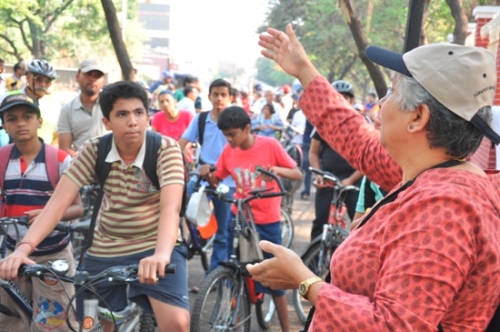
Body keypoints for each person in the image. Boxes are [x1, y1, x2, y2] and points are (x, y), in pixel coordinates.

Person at [247, 24, 500, 331]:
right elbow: (357, 139)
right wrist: (304, 71)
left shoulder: (445, 209)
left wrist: (304, 281)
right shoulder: (432, 173)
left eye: (391, 91)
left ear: (418, 117)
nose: (380, 104)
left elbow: (394, 325)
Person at [0, 82, 190, 332]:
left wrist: (161, 254)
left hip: (158, 245)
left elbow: (171, 208)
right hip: (106, 247)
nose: (132, 121)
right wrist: (23, 250)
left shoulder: (165, 149)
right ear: (107, 122)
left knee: (177, 323)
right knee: (90, 324)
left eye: (138, 112)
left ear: (148, 118)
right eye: (122, 114)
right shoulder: (95, 149)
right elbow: (56, 205)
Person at [200, 106, 302, 332]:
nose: (229, 139)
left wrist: (275, 170)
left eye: (232, 134)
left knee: (275, 278)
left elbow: (297, 173)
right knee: (235, 270)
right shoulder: (229, 150)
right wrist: (208, 173)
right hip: (240, 219)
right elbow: (218, 178)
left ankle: (286, 328)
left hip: (267, 222)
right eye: (225, 135)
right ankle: (235, 322)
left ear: (247, 129)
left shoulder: (270, 145)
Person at [0, 93, 82, 331]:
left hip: (53, 254)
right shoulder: (2, 159)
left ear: (39, 121)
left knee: (55, 321)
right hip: (13, 253)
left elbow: (78, 207)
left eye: (27, 117)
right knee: (10, 319)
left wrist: (48, 213)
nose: (20, 123)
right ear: (4, 125)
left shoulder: (60, 160)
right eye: (12, 119)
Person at [178, 79, 236, 278]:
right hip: (202, 179)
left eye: (223, 95)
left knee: (222, 234)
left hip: (226, 182)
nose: (219, 98)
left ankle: (214, 278)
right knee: (179, 205)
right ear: (209, 96)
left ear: (230, 98)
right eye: (215, 94)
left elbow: (241, 153)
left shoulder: (236, 121)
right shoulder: (201, 120)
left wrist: (218, 170)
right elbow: (182, 143)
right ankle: (192, 241)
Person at [308, 80, 363, 239]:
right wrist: (318, 174)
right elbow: (313, 152)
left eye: (345, 97)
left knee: (359, 223)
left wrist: (350, 180)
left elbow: (368, 158)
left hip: (354, 179)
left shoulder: (360, 124)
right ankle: (313, 260)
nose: (341, 100)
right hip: (327, 177)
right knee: (321, 221)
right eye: (337, 96)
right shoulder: (322, 122)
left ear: (352, 101)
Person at [57, 59, 108, 156]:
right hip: (80, 166)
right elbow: (64, 148)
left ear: (103, 80)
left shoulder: (111, 106)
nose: (92, 79)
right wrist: (85, 164)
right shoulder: (67, 110)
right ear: (77, 77)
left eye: (97, 76)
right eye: (88, 74)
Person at [12, 59, 59, 146]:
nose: (43, 85)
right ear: (27, 77)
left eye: (47, 81)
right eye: (39, 79)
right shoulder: (11, 98)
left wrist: (49, 154)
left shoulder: (54, 104)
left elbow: (57, 136)